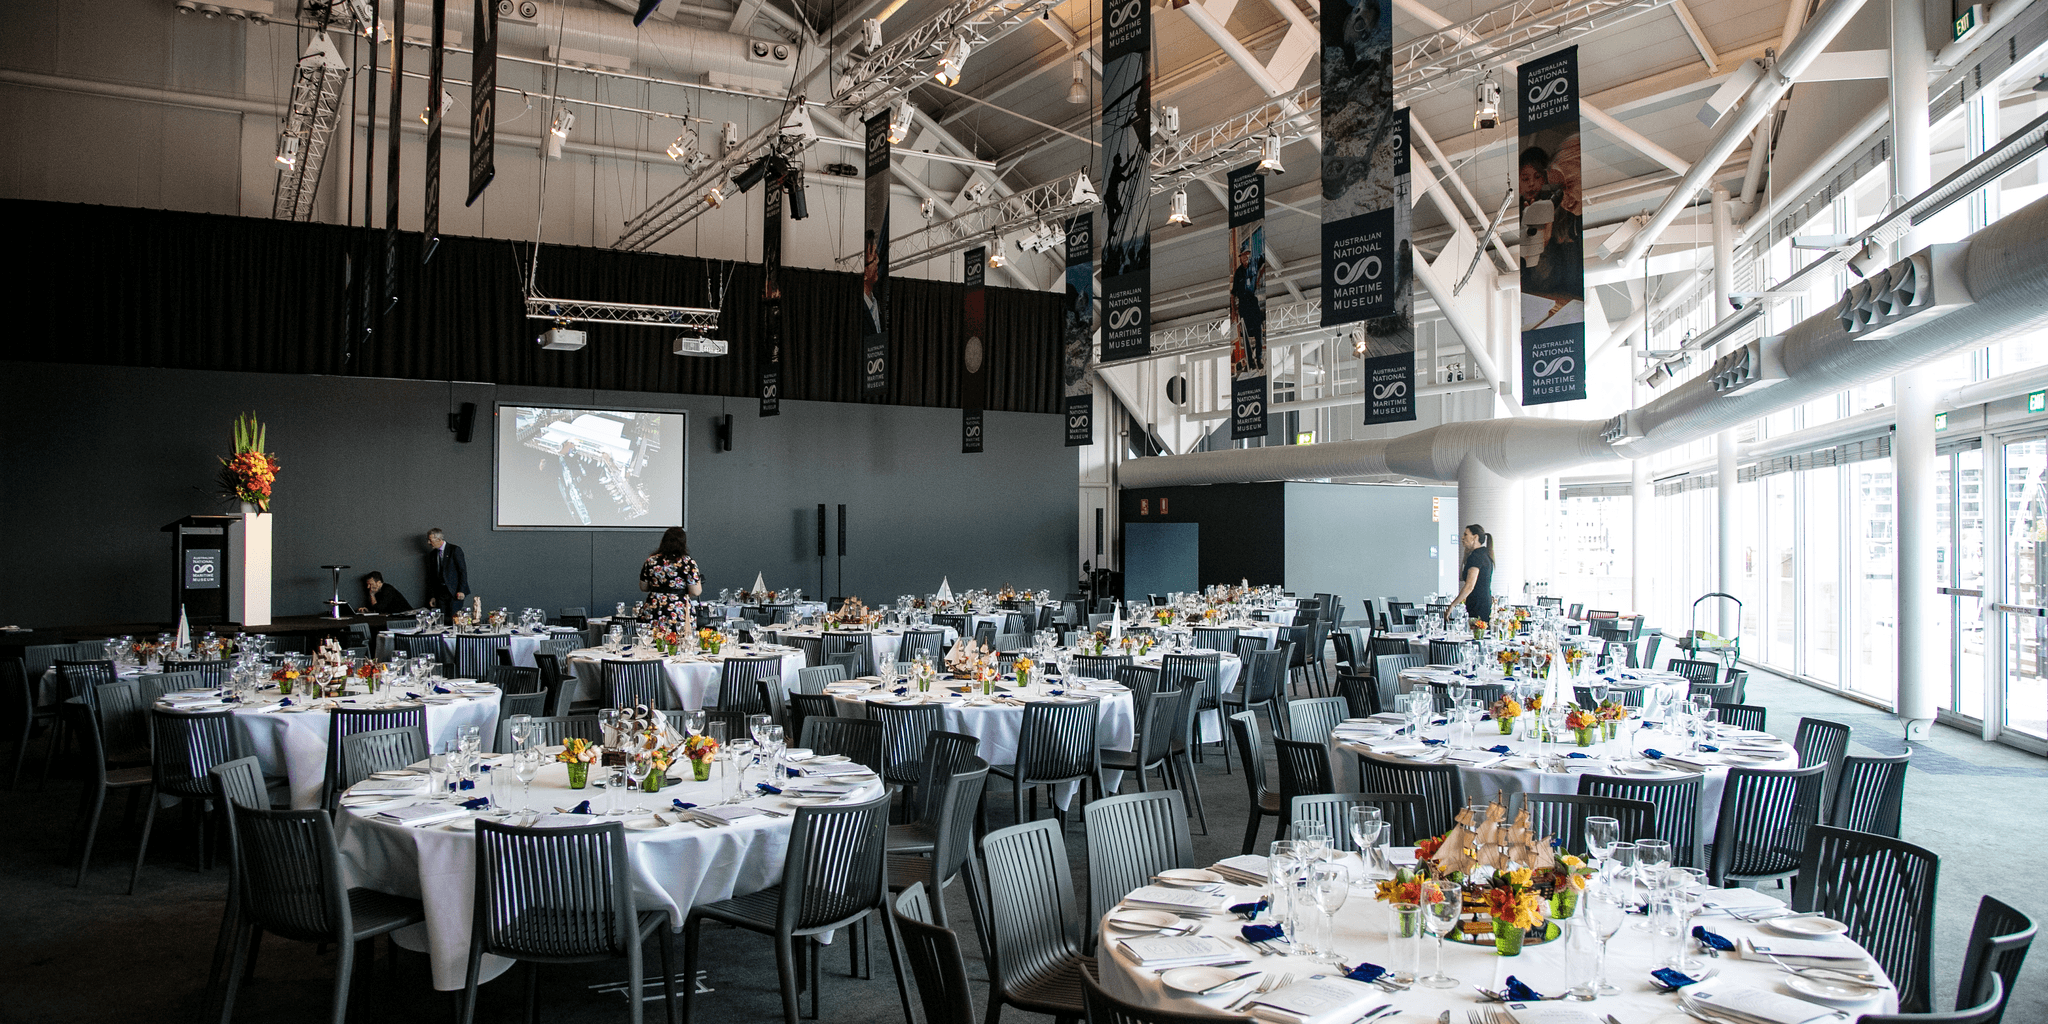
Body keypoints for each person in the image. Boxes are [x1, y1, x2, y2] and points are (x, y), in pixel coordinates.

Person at [639, 526, 702, 633]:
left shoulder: (651, 561)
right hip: (678, 611)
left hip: (655, 608)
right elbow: (696, 591)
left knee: (654, 642)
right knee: (678, 642)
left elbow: (643, 587)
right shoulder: (687, 562)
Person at [1452, 523, 1495, 624]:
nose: (1462, 538)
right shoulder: (1484, 554)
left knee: (1474, 633)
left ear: (1475, 537)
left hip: (1477, 603)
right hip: (1484, 601)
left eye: (1465, 535)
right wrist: (1465, 556)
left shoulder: (1476, 556)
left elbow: (1469, 586)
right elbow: (1462, 577)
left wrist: (1452, 605)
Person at [422, 528, 468, 609]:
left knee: (454, 619)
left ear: (439, 539)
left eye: (430, 540)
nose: (429, 543)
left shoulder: (454, 550)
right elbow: (432, 577)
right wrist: (433, 596)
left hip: (454, 592)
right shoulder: (432, 554)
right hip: (440, 593)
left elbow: (462, 571)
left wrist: (461, 590)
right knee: (441, 619)